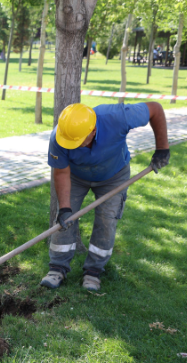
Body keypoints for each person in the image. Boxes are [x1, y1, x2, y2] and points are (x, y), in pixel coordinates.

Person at [40, 102, 170, 291]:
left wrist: (162, 149)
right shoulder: (60, 136)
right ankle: (57, 268)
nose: (71, 145)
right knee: (65, 218)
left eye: (77, 141)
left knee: (107, 220)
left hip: (113, 175)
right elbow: (60, 173)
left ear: (92, 131)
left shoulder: (117, 117)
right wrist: (66, 208)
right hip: (75, 177)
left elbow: (155, 109)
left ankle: (93, 271)